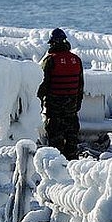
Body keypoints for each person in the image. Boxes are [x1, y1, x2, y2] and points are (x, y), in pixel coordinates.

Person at [37, 28, 84, 160]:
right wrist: (77, 105)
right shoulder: (76, 60)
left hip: (54, 108)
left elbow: (43, 85)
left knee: (55, 143)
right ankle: (73, 165)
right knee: (72, 141)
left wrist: (38, 105)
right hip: (72, 108)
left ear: (52, 43)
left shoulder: (49, 60)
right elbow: (80, 85)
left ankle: (57, 169)